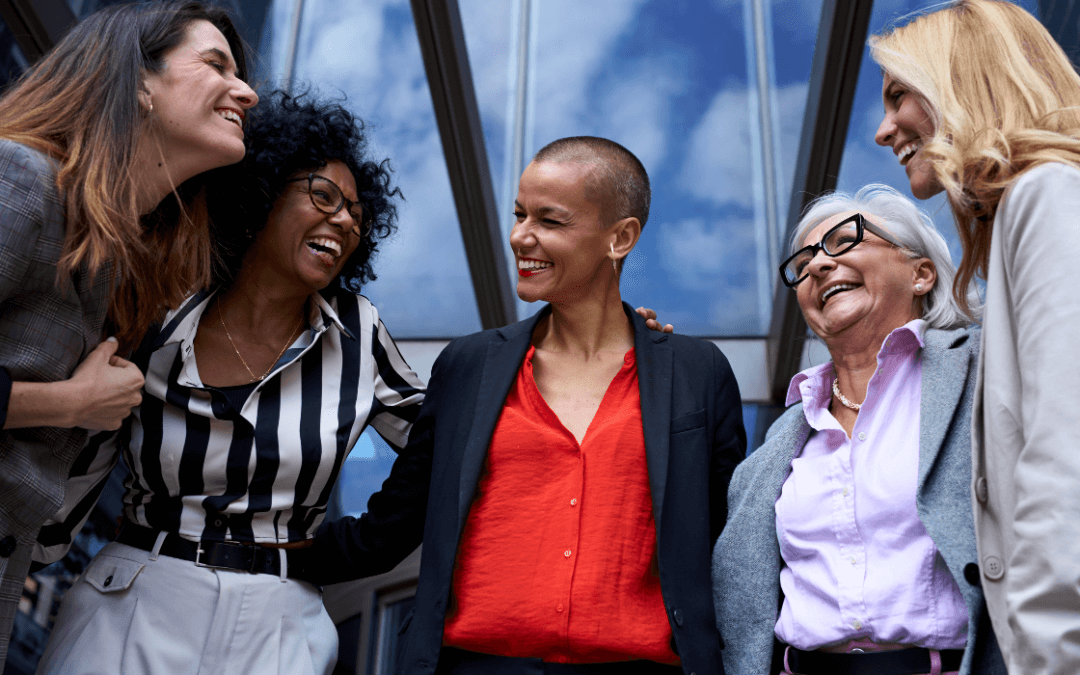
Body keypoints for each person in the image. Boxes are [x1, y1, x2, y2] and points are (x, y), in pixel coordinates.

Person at [306, 136, 746, 675]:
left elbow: (727, 545)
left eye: (550, 221)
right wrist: (253, 547)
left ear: (621, 237)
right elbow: (392, 526)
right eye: (518, 215)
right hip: (478, 667)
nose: (521, 237)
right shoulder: (467, 368)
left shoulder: (696, 374)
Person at [34, 90, 424, 675]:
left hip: (280, 626)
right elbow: (85, 449)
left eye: (356, 215)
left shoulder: (359, 333)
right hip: (133, 600)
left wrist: (366, 544)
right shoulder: (161, 305)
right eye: (323, 196)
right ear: (262, 193)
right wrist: (29, 547)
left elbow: (445, 439)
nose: (343, 220)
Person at [0, 1, 256, 665]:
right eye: (215, 64)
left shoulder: (115, 268)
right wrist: (68, 405)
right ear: (140, 82)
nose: (247, 91)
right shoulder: (19, 179)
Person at [713, 185, 1005, 675]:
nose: (818, 266)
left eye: (845, 241)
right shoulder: (781, 441)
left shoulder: (986, 373)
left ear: (921, 274)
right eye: (803, 262)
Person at [870, 2, 1080, 672]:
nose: (882, 130)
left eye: (898, 93)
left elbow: (1065, 453)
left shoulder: (1045, 197)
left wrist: (1049, 653)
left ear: (961, 79)